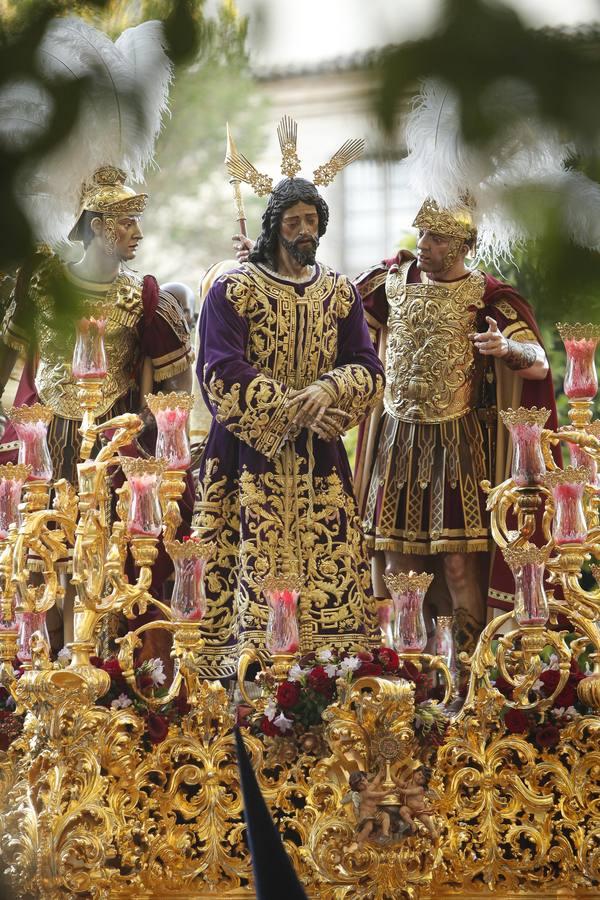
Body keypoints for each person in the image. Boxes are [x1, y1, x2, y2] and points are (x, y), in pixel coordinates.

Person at [192, 128, 384, 679]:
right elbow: (219, 367)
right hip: (246, 457)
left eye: (312, 219)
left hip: (320, 459)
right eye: (293, 220)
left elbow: (368, 367)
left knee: (329, 589)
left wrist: (329, 391)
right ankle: (241, 687)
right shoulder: (234, 288)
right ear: (274, 225)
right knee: (242, 572)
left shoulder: (341, 292)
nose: (305, 230)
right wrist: (290, 406)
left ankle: (326, 679)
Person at [353, 198, 558, 656]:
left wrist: (505, 348)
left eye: (437, 238)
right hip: (396, 441)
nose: (423, 245)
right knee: (401, 566)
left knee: (460, 568)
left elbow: (540, 365)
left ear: (463, 245)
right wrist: (264, 259)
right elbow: (329, 306)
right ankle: (417, 673)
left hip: (459, 445)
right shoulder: (390, 283)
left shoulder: (489, 296)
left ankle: (466, 673)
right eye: (422, 234)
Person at [0, 166, 194, 646]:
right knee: (36, 556)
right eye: (126, 221)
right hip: (41, 440)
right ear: (97, 225)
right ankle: (34, 659)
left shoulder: (143, 297)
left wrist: (158, 424)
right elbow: (6, 357)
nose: (138, 233)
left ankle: (96, 658)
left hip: (109, 448)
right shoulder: (44, 285)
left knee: (103, 558)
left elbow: (176, 385)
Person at [348, 770, 392, 844]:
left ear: (366, 778)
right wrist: (388, 792)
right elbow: (377, 795)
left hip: (374, 813)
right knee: (368, 827)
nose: (364, 784)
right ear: (356, 787)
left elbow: (375, 783)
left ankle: (385, 834)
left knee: (385, 816)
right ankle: (358, 840)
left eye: (363, 780)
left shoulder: (367, 789)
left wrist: (379, 774)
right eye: (360, 784)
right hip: (366, 815)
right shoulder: (363, 793)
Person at [394, 766, 438, 839]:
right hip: (410, 809)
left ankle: (433, 831)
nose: (419, 778)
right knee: (402, 810)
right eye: (419, 774)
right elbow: (399, 783)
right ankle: (412, 824)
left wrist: (401, 791)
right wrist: (390, 775)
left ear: (425, 782)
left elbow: (410, 792)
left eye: (423, 778)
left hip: (419, 811)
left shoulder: (420, 788)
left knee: (426, 820)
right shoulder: (408, 783)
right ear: (414, 772)